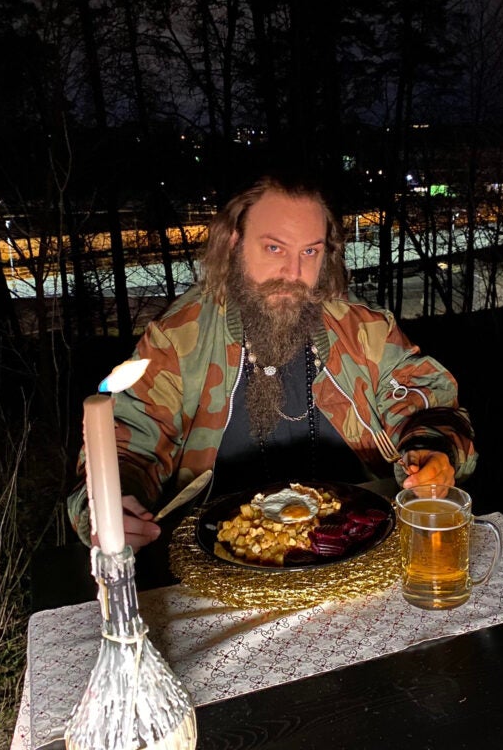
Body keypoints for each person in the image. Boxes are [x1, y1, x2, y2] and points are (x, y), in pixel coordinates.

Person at [67, 171, 478, 552]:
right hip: (219, 565)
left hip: (360, 553)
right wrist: (113, 506)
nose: (293, 273)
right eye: (274, 248)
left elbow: (428, 402)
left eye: (310, 251)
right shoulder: (178, 339)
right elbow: (129, 445)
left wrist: (433, 450)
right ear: (234, 244)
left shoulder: (363, 330)